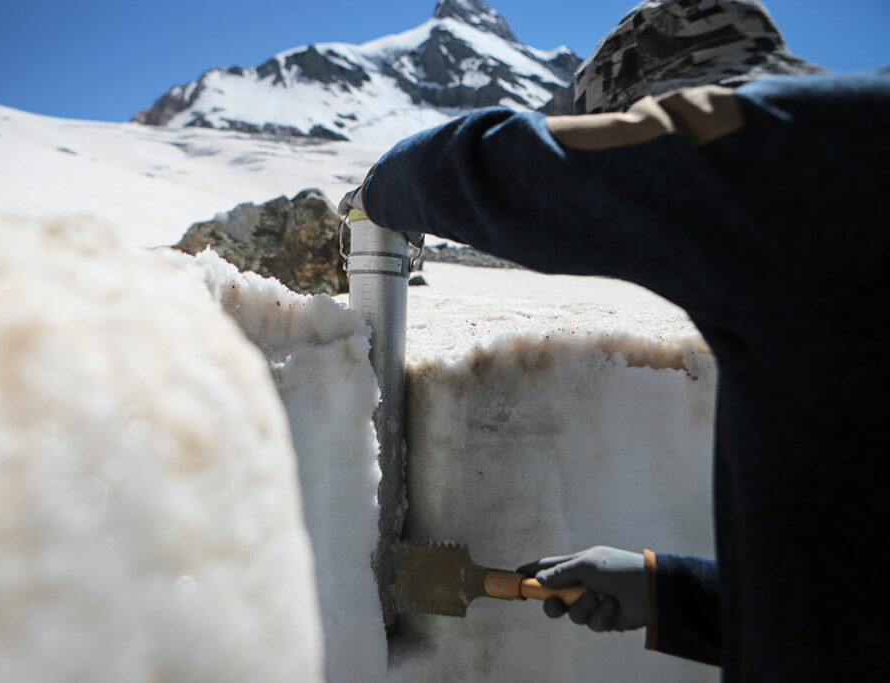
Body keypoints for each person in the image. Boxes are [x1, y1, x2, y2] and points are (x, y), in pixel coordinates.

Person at [339, 1, 888, 679]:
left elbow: (529, 176)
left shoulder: (799, 153)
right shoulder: (826, 239)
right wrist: (670, 591)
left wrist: (385, 186)